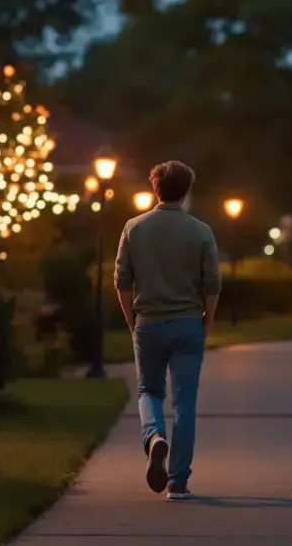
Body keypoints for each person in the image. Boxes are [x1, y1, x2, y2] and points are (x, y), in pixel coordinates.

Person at [114, 161, 221, 500]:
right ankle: (178, 481)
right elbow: (212, 283)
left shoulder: (133, 227)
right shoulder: (201, 230)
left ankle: (154, 436)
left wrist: (132, 319)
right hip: (188, 323)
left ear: (154, 188)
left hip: (148, 322)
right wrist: (208, 319)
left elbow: (122, 281)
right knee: (186, 402)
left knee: (149, 391)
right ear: (185, 190)